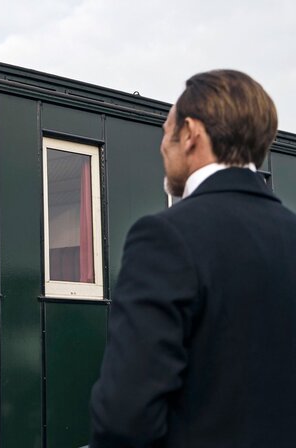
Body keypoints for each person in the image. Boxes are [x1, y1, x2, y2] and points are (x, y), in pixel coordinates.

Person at [90, 70, 296, 447]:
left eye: (166, 130)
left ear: (190, 133)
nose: (162, 147)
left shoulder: (164, 237)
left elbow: (126, 415)